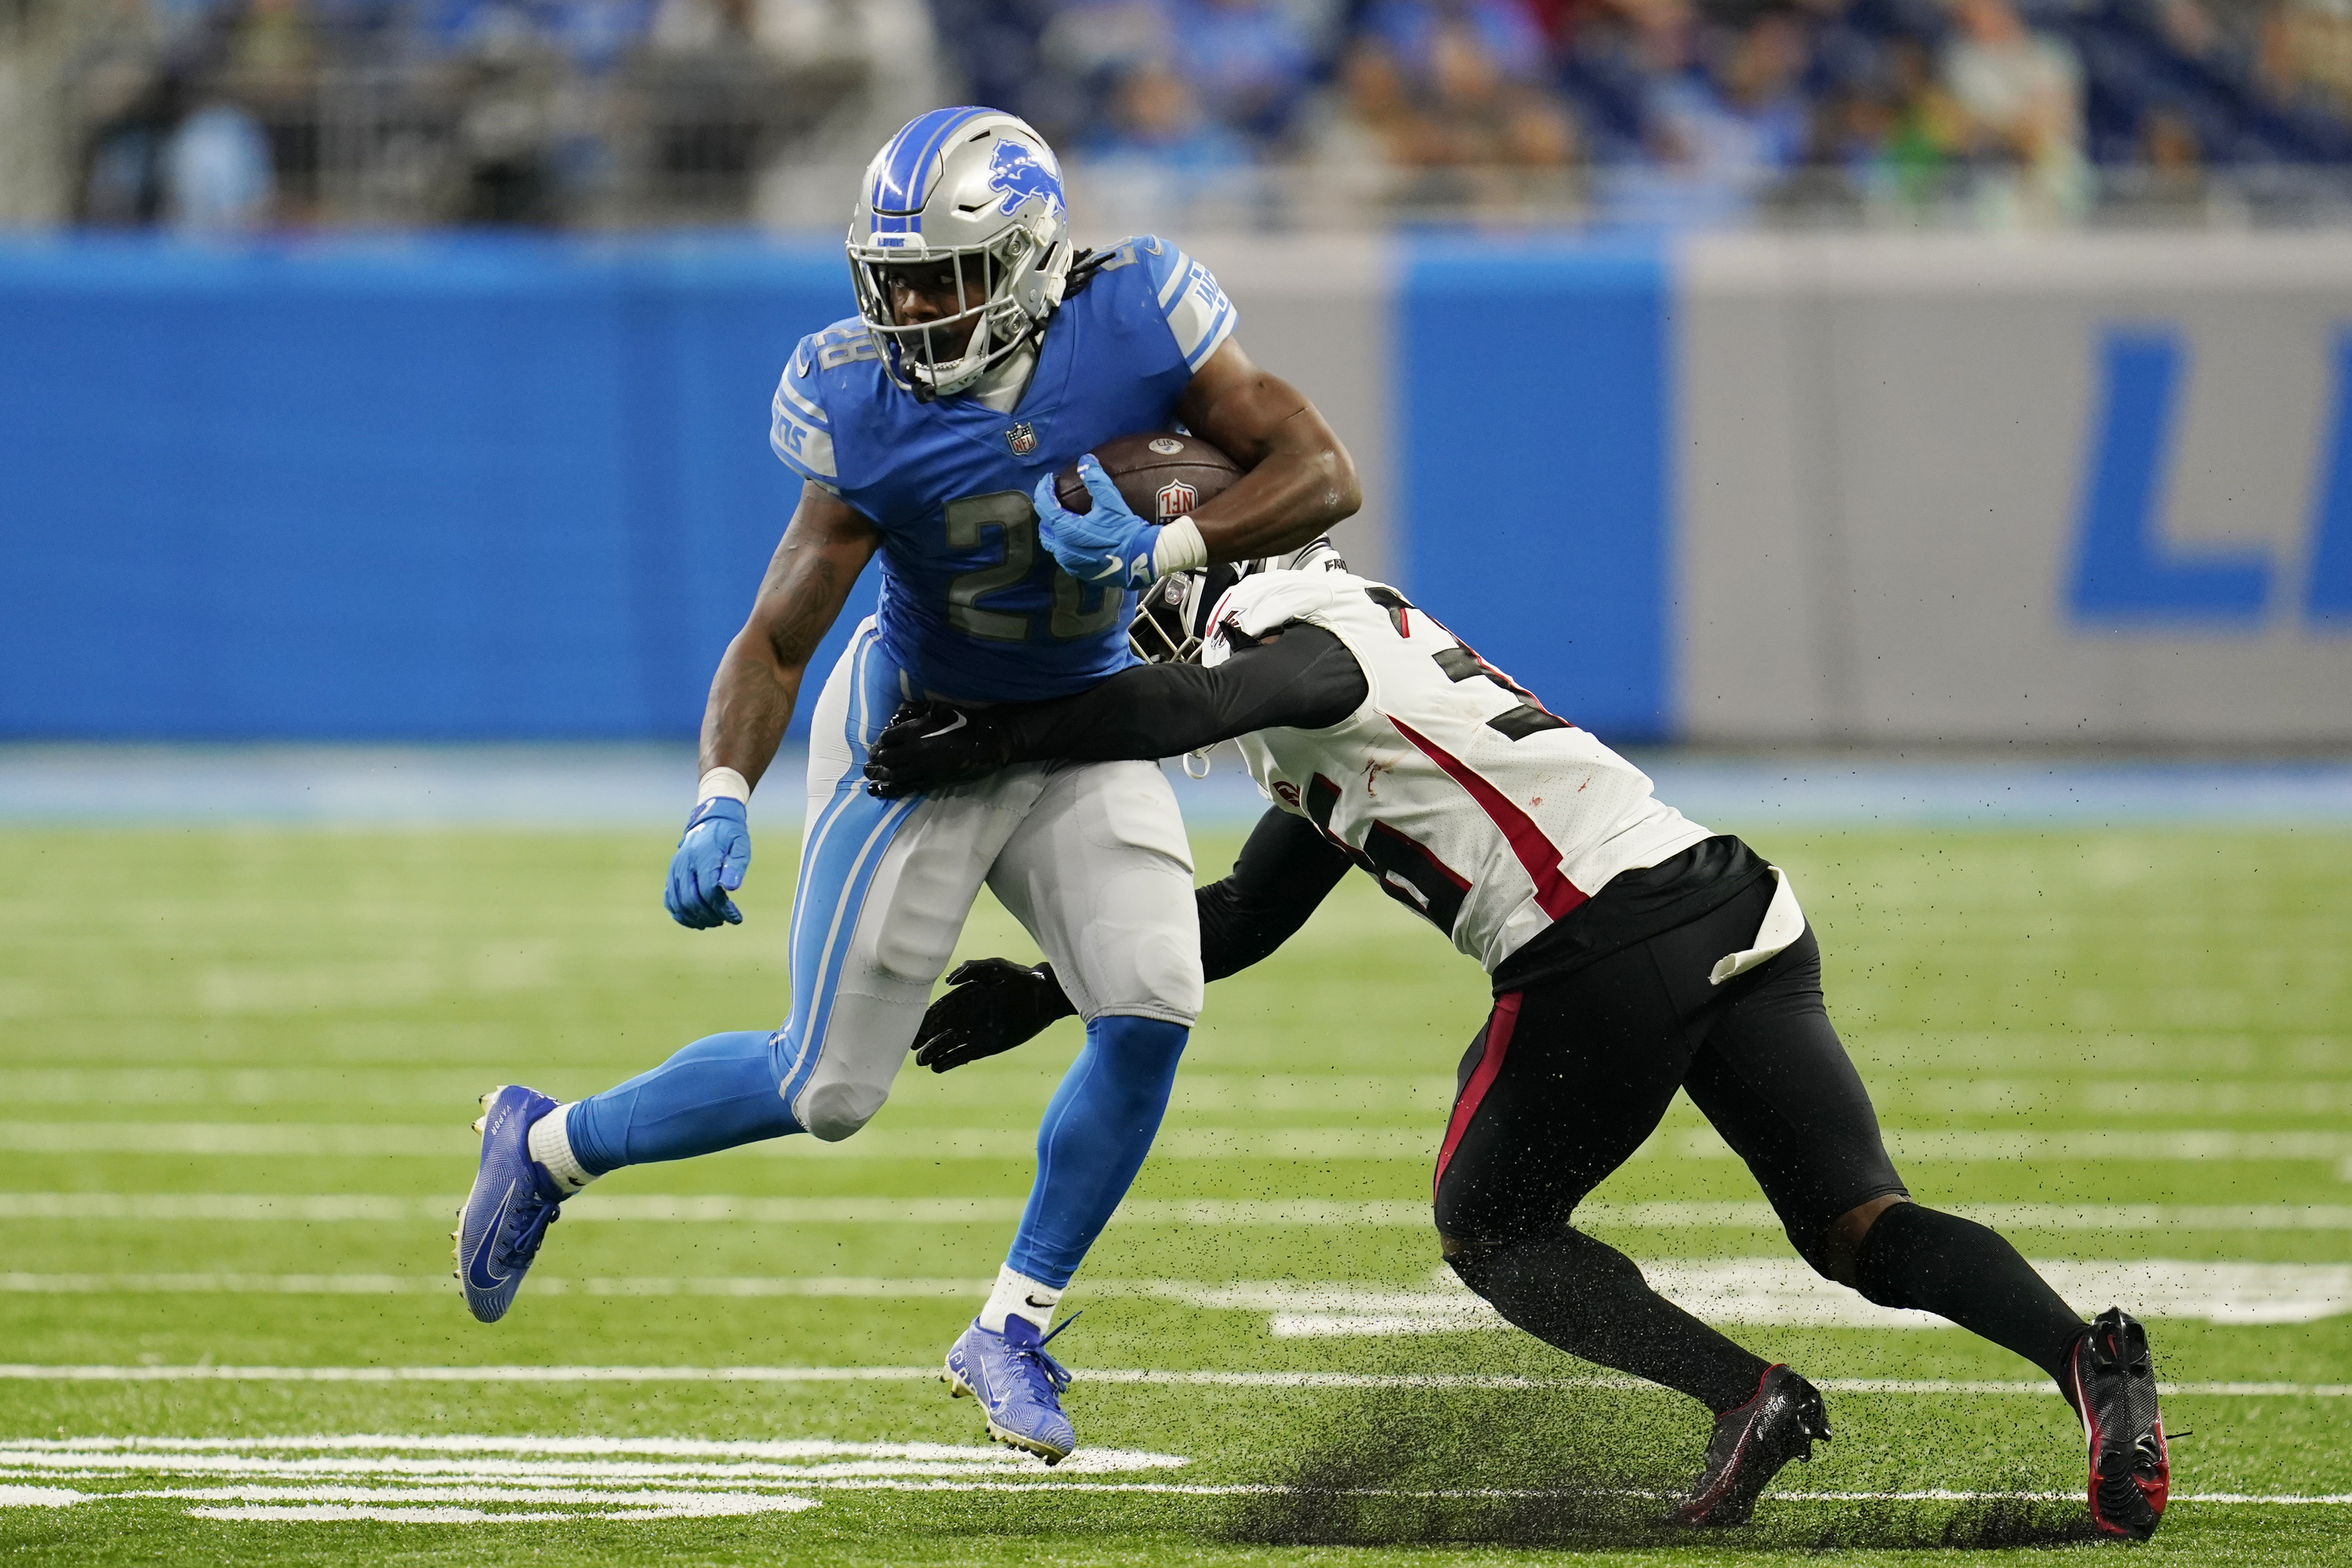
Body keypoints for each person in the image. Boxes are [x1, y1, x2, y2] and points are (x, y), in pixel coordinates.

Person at [861, 545, 2171, 1539]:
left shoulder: (1298, 642)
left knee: (1488, 1226)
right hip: (1726, 899)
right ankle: (2088, 1359)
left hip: (1598, 939)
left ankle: (1741, 1395)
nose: (1132, 646)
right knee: (1853, 1226)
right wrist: (1049, 987)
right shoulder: (1340, 675)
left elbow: (1172, 711)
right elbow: (1248, 915)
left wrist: (990, 739)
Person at [453, 106, 1359, 1465]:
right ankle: (547, 1148)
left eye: (947, 276)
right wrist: (718, 794)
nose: (918, 307)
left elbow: (1320, 471)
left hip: (1078, 719)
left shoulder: (1142, 316)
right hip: (922, 731)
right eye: (897, 280)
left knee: (1153, 1001)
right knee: (827, 1090)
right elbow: (776, 634)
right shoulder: (857, 398)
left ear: (1036, 260)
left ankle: (1010, 1327)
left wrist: (1168, 545)